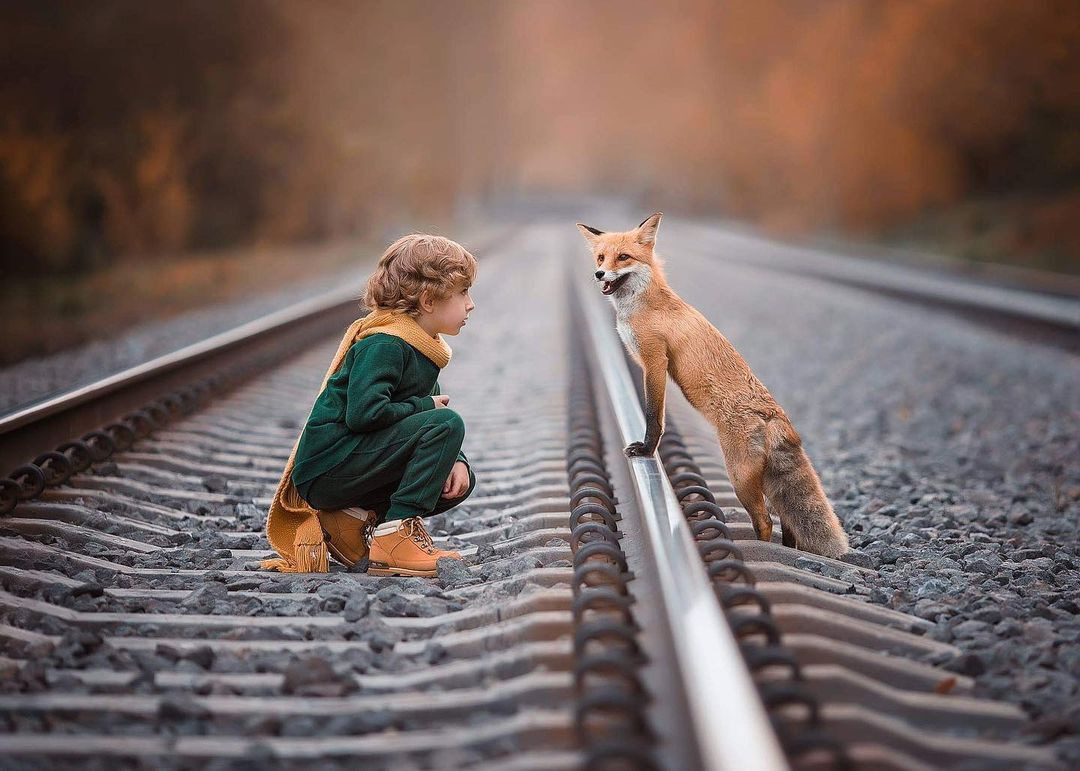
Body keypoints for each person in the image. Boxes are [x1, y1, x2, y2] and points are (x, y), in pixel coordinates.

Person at [261, 234, 477, 576]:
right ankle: (395, 541)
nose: (470, 304)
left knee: (458, 479)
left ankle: (350, 520)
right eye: (463, 292)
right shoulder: (385, 344)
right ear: (428, 300)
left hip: (353, 463)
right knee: (448, 423)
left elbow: (424, 414)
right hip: (328, 468)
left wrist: (456, 460)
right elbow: (365, 414)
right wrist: (426, 408)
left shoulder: (421, 346)